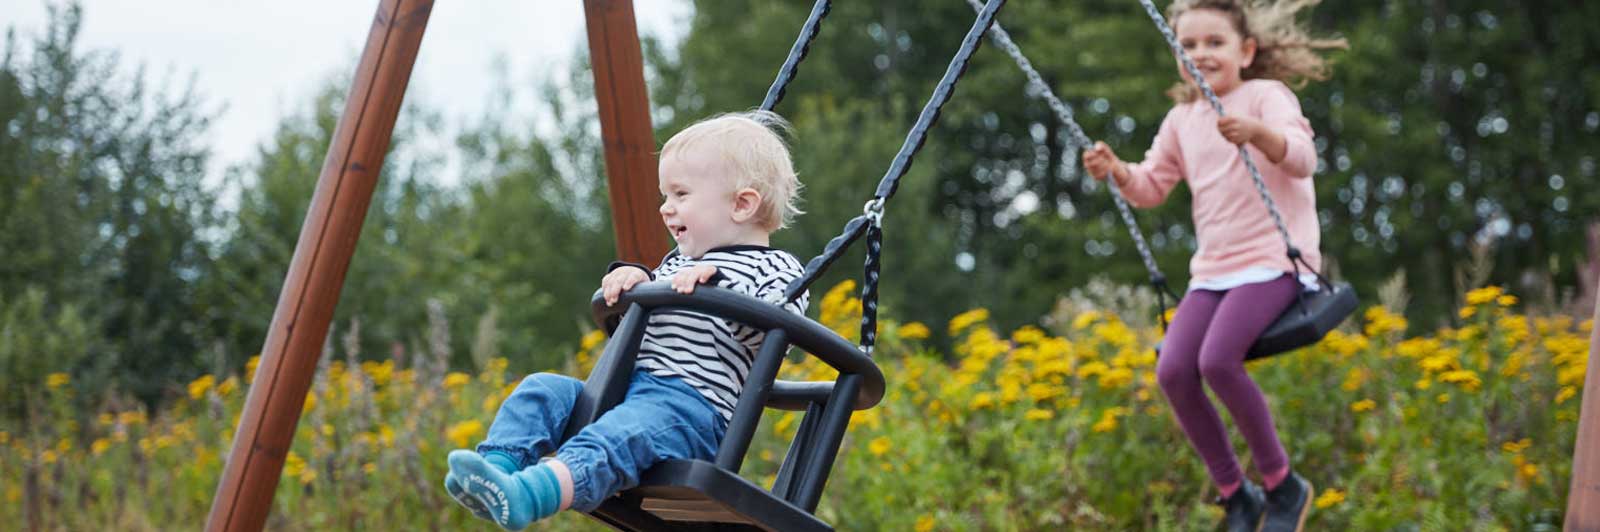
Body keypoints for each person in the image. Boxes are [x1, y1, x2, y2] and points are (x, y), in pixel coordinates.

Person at [443, 110, 808, 530]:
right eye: (664, 196)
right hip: (627, 392)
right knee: (543, 389)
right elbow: (637, 332)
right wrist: (633, 282)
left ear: (742, 204)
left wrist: (720, 293)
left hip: (689, 411)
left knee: (622, 433)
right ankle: (495, 472)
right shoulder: (676, 263)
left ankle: (531, 494)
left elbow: (776, 341)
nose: (665, 208)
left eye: (680, 194)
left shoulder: (776, 268)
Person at [1081, 1, 1345, 530]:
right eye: (1189, 46)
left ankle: (1282, 484)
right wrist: (1117, 172)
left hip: (1275, 262)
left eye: (1214, 43)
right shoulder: (1182, 120)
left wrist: (1257, 134)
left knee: (1218, 361)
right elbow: (1152, 185)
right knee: (1174, 370)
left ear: (1246, 51)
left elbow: (1302, 157)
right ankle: (1235, 494)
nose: (1201, 54)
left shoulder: (1266, 97)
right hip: (1214, 272)